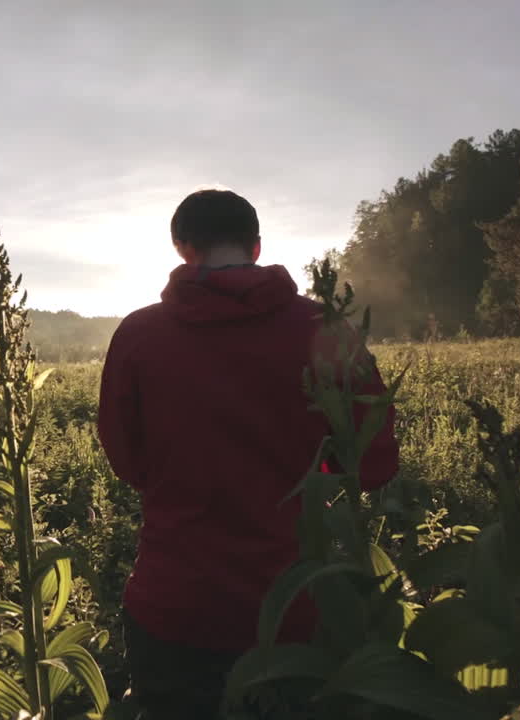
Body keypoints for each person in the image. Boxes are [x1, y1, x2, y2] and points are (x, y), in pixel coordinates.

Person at [96, 188, 399, 719]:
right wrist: (310, 475)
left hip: (175, 610)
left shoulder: (139, 335)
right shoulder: (325, 329)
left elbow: (129, 462)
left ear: (180, 247)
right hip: (300, 611)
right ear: (257, 248)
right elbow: (372, 464)